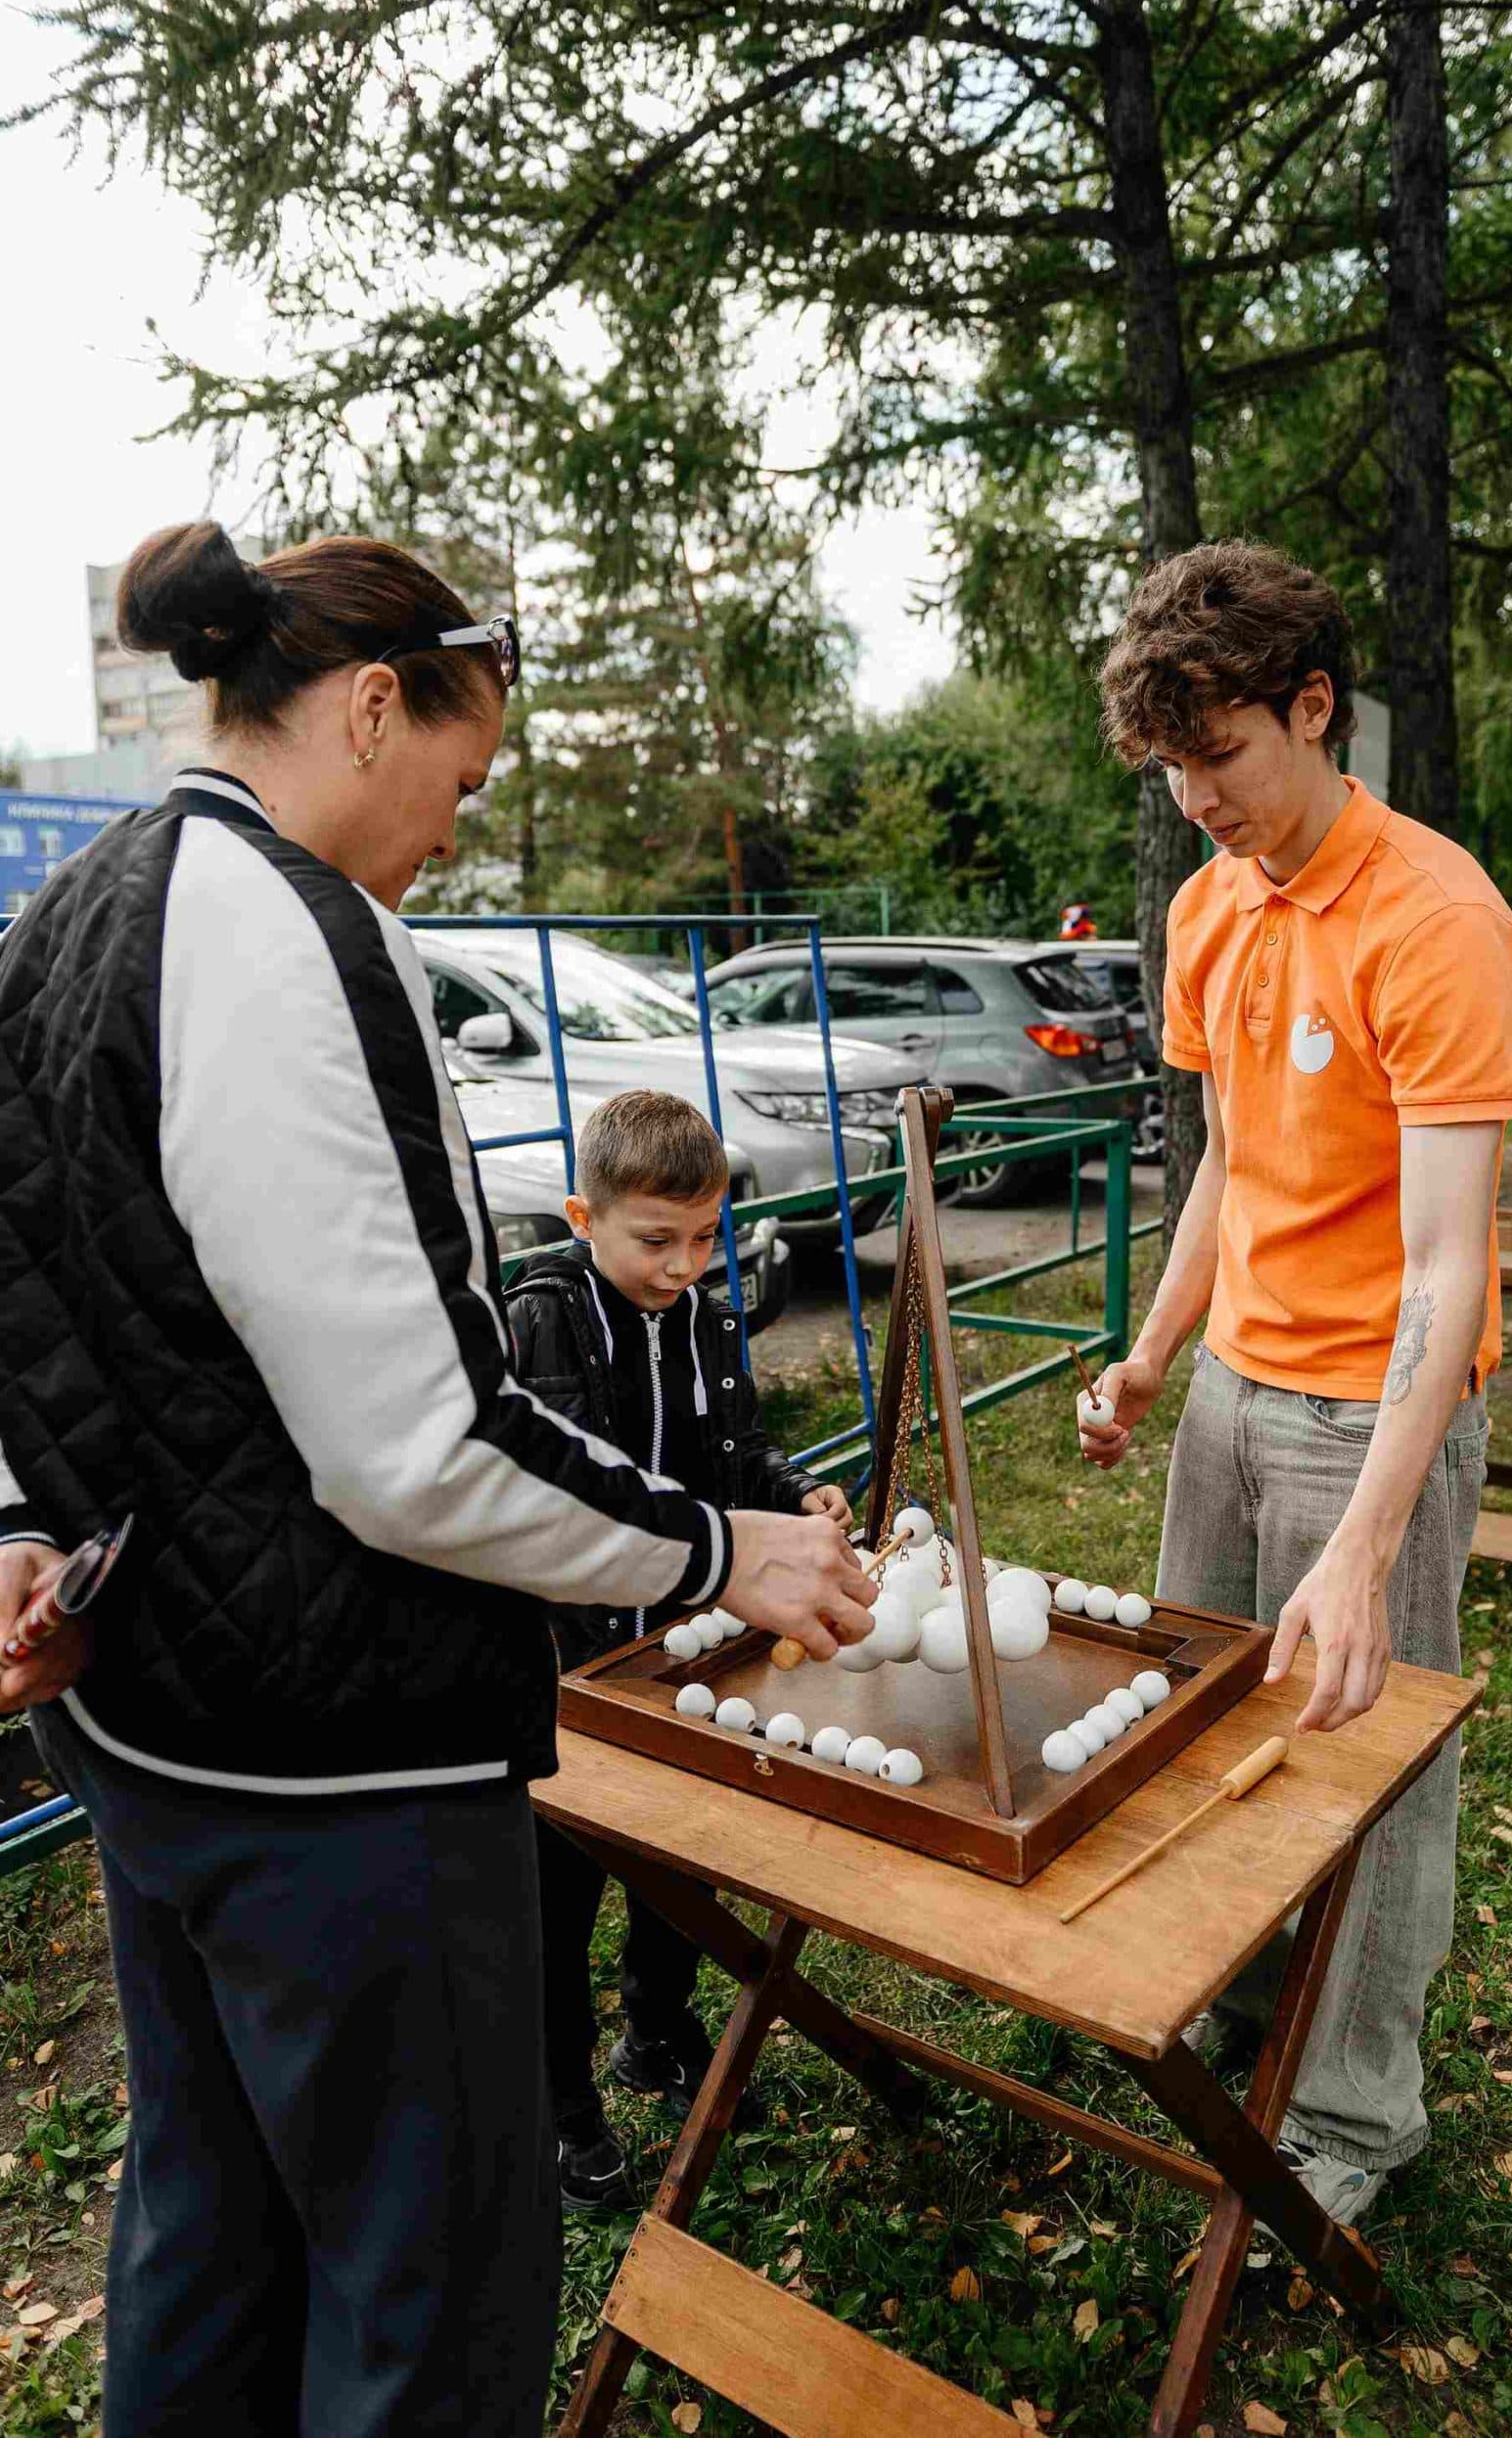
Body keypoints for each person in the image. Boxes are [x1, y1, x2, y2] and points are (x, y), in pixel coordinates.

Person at [0, 522, 876, 2438]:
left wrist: (22, 1513)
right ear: (375, 701)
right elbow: (421, 1445)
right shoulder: (303, 935)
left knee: (209, 2229)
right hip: (346, 1773)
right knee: (422, 2287)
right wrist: (724, 1543)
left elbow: (49, 1277)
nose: (457, 835)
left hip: (150, 1731)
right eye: (464, 781)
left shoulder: (79, 907)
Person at [1082, 539, 1512, 2235]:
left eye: (1218, 756)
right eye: (1170, 765)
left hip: (1381, 1415)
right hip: (1228, 1395)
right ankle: (1223, 1997)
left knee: (1365, 1764)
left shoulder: (1434, 919)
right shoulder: (1208, 909)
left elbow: (1441, 1270)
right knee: (1198, 1729)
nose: (1193, 798)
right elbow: (1223, 1167)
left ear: (1311, 708)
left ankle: (1349, 2114)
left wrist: (1361, 1535)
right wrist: (1146, 1349)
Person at [503, 1090, 852, 2209]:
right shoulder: (531, 1323)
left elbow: (737, 1447)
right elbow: (531, 1495)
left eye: (703, 1238)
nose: (683, 1265)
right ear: (581, 1217)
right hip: (556, 1672)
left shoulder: (702, 1315)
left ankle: (655, 2032)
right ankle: (558, 2110)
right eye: (656, 1239)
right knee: (556, 1899)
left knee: (676, 1861)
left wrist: (795, 1495)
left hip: (679, 1652)